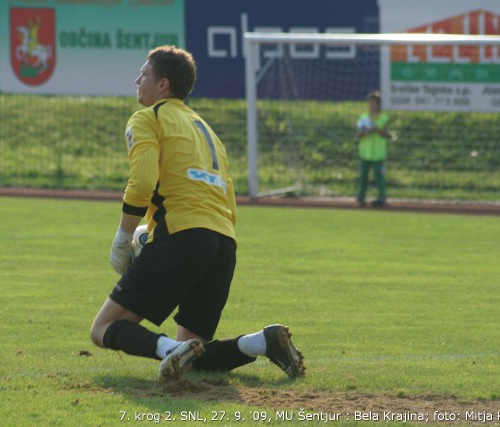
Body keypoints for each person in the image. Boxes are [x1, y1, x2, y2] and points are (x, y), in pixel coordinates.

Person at [89, 46, 305, 382]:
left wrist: (122, 237)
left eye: (143, 74)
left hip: (183, 236)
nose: (137, 79)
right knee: (193, 354)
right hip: (223, 242)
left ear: (162, 85)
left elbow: (143, 181)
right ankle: (261, 343)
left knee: (102, 328)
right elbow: (227, 197)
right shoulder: (207, 130)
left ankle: (167, 350)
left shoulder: (148, 117)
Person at [356, 91, 391, 208]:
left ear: (378, 104)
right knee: (363, 177)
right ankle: (360, 197)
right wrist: (363, 132)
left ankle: (382, 197)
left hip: (378, 153)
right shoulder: (363, 117)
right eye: (370, 102)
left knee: (379, 177)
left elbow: (386, 134)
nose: (371, 104)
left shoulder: (383, 117)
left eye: (374, 102)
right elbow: (358, 134)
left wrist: (375, 129)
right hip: (365, 152)